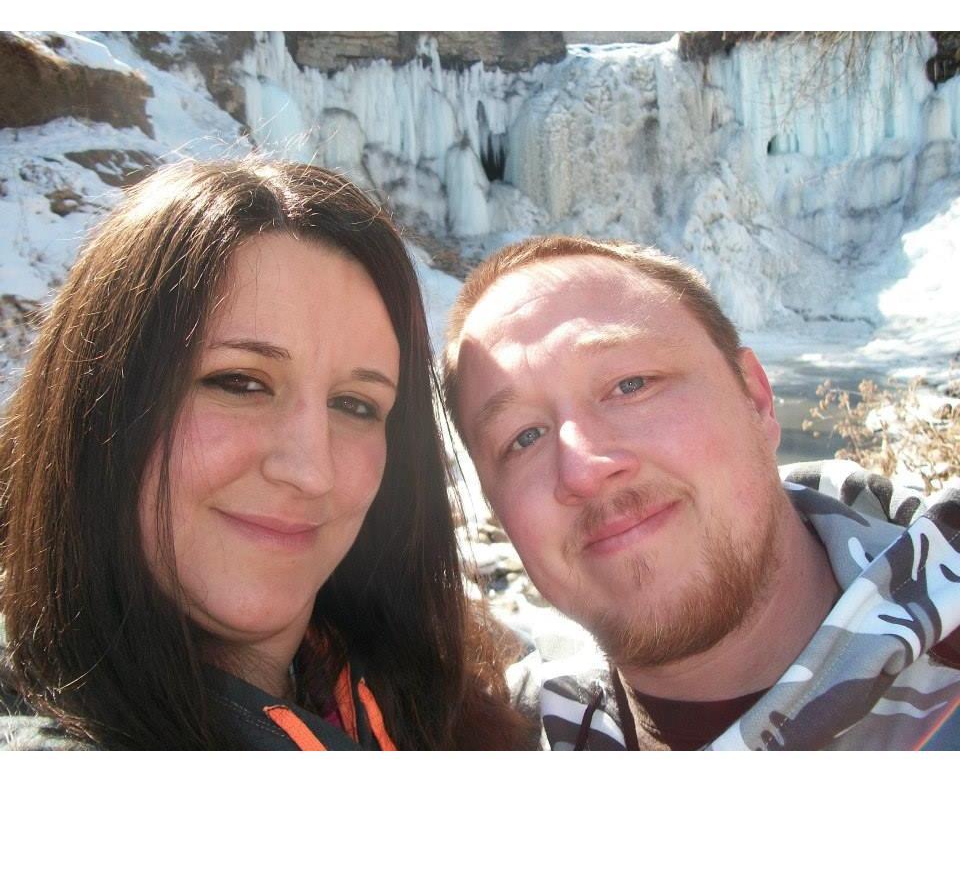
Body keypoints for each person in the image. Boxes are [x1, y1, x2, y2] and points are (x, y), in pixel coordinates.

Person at [0, 158, 532, 751]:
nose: (311, 471)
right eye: (240, 383)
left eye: (356, 404)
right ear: (97, 405)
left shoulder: (450, 705)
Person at [442, 235, 960, 750]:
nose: (583, 471)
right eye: (523, 438)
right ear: (498, 510)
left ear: (755, 399)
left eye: (631, 385)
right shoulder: (492, 737)